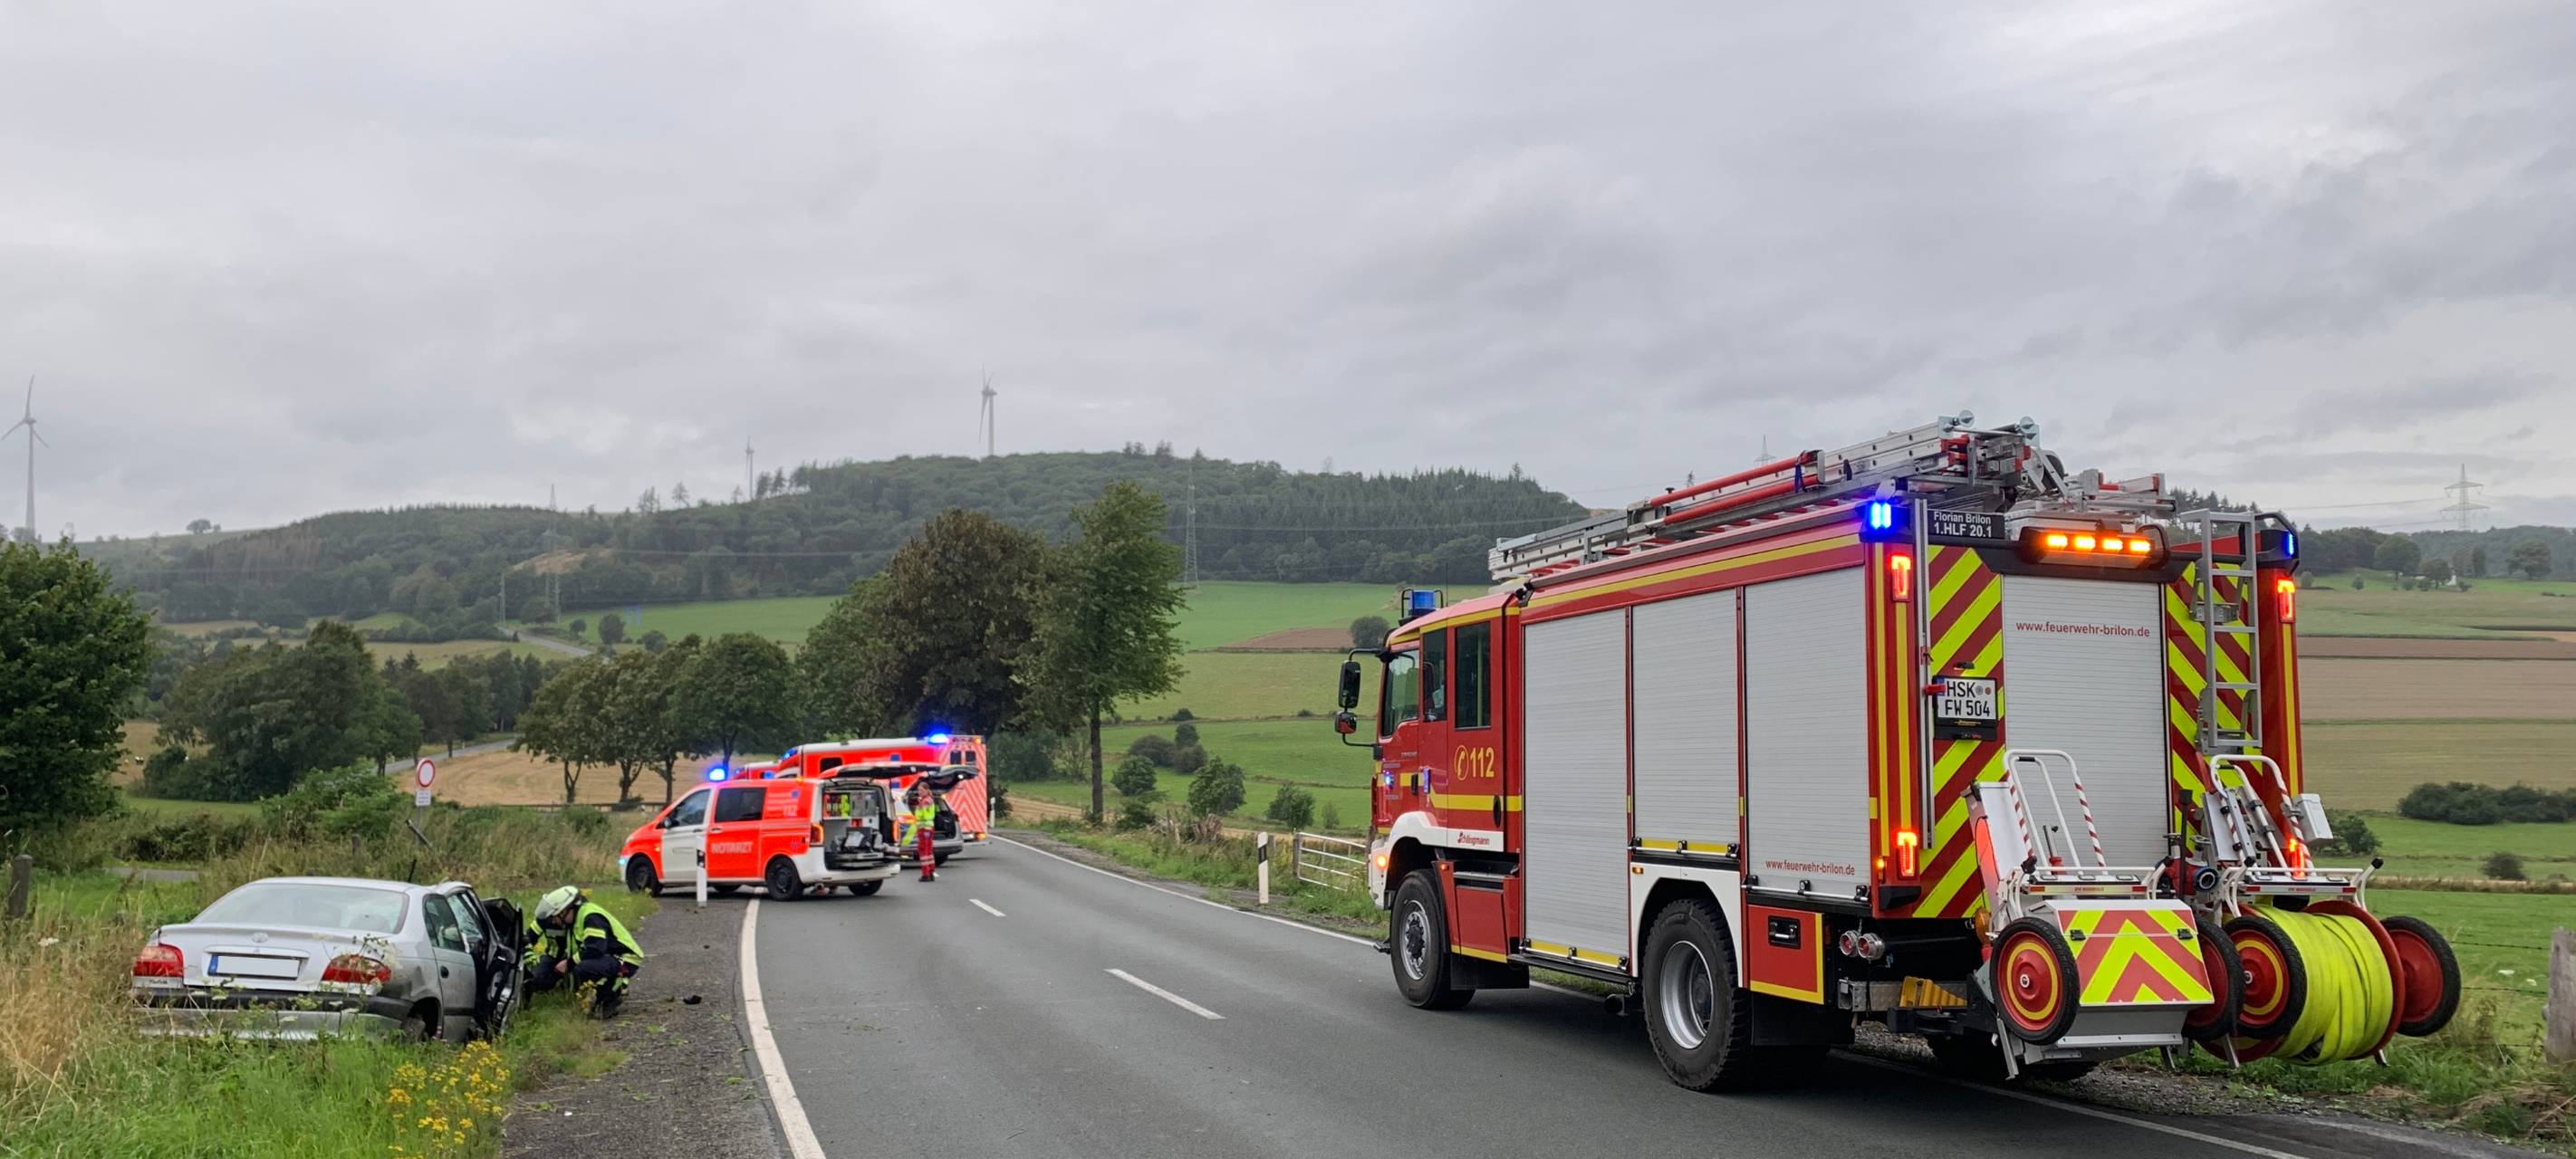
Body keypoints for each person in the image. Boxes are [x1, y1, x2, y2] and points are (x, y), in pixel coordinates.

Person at [525, 886, 644, 1017]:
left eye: (555, 917)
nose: (554, 921)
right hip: (605, 956)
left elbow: (595, 949)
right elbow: (529, 937)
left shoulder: (591, 917)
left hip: (624, 959)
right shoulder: (575, 917)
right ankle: (569, 987)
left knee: (584, 968)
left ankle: (612, 994)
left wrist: (568, 963)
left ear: (565, 911)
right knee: (545, 977)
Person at [908, 785, 938, 882]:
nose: (919, 792)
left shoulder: (924, 802)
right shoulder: (929, 799)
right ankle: (931, 872)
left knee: (923, 851)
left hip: (924, 828)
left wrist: (919, 807)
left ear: (927, 790)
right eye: (918, 790)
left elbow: (924, 815)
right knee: (928, 851)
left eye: (921, 790)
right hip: (928, 828)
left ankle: (926, 874)